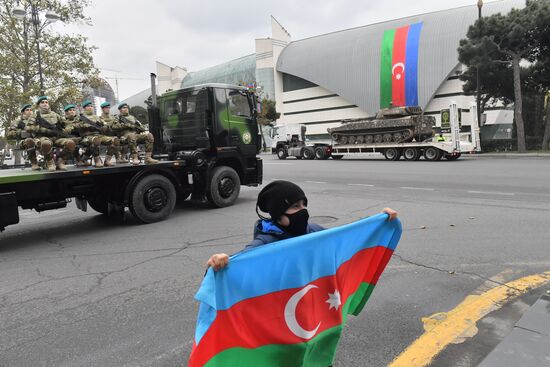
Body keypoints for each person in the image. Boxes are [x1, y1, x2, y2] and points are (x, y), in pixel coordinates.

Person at [207, 180, 398, 271]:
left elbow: (344, 239)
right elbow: (241, 262)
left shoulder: (313, 230)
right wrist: (220, 262)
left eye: (304, 205)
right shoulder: (265, 242)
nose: (303, 211)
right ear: (277, 215)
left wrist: (378, 221)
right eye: (295, 207)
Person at [70, 100, 119, 167]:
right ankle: (97, 160)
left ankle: (107, 160)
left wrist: (104, 127)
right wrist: (85, 125)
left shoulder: (96, 117)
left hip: (99, 135)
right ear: (84, 108)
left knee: (115, 140)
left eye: (91, 106)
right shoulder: (80, 117)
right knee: (96, 140)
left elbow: (104, 125)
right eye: (88, 106)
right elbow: (75, 126)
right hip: (87, 136)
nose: (90, 107)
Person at [27, 96, 71, 171]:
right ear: (38, 105)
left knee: (70, 143)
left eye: (46, 102)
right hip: (44, 137)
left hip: (57, 137)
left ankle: (61, 162)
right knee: (45, 144)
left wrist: (67, 129)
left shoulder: (55, 115)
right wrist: (42, 130)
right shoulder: (35, 116)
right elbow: (28, 128)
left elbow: (67, 124)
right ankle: (50, 162)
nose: (45, 104)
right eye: (42, 102)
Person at [6, 104, 40, 170]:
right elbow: (9, 134)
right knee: (29, 140)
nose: (30, 111)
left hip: (37, 139)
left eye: (31, 110)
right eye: (27, 110)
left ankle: (49, 162)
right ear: (23, 112)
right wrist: (21, 132)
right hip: (23, 142)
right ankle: (34, 163)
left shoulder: (37, 121)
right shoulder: (18, 122)